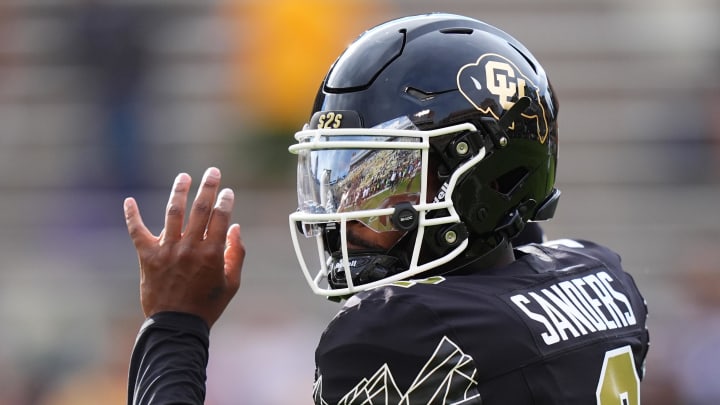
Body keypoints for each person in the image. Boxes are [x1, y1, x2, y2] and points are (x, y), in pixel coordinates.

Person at [125, 13, 650, 405]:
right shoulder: (600, 274)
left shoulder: (400, 330)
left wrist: (176, 323)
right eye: (343, 178)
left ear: (481, 178)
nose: (345, 218)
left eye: (388, 180)